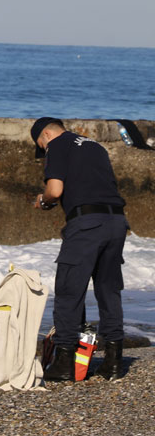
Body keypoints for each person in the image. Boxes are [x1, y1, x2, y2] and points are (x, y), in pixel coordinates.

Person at [30, 117, 129, 381]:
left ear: (47, 134)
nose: (44, 151)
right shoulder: (95, 146)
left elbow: (55, 189)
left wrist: (43, 200)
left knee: (68, 290)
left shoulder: (58, 145)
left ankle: (64, 362)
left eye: (41, 145)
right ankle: (114, 361)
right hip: (117, 221)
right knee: (109, 289)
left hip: (86, 224)